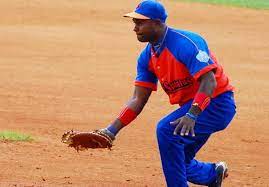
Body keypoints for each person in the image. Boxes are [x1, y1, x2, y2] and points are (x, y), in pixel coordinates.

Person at [102, 0, 236, 186]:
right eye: (134, 23)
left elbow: (209, 81)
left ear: (157, 22)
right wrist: (111, 131)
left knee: (166, 130)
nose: (135, 28)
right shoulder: (147, 57)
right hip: (193, 107)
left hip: (216, 104)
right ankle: (212, 174)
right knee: (179, 162)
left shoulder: (186, 43)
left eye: (140, 22)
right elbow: (138, 99)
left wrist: (192, 114)